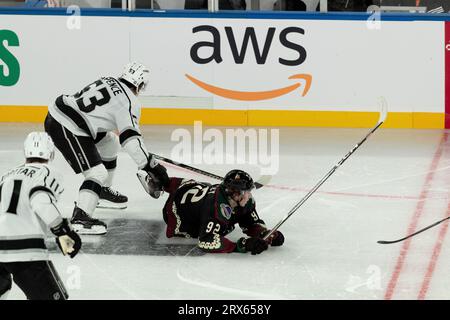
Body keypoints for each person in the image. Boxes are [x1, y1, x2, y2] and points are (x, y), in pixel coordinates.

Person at [44, 62, 169, 235]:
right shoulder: (129, 102)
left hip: (66, 113)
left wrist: (147, 162)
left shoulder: (109, 79)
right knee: (97, 174)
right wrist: (148, 165)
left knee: (110, 142)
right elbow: (131, 141)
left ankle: (101, 191)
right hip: (67, 125)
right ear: (140, 84)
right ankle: (81, 217)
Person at [0, 132, 81, 300]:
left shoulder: (7, 175)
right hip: (25, 250)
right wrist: (63, 232)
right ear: (51, 153)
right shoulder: (47, 172)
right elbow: (41, 201)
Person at [143, 169, 284, 254]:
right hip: (175, 213)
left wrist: (265, 233)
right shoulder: (215, 208)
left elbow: (250, 223)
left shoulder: (242, 200)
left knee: (195, 185)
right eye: (246, 192)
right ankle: (158, 182)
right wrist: (241, 245)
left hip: (190, 188)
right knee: (195, 200)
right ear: (234, 194)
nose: (249, 195)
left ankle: (163, 183)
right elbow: (205, 240)